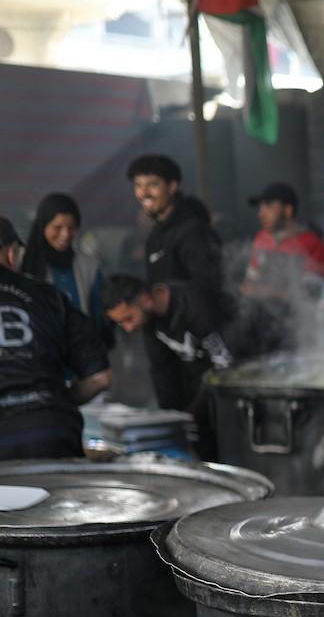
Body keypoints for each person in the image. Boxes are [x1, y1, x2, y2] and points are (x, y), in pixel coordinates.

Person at [0, 217, 111, 460]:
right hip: (51, 429)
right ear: (10, 254)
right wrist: (51, 399)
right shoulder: (49, 295)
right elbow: (99, 377)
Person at [101, 273, 238, 461]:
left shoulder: (196, 305)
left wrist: (193, 413)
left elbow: (227, 367)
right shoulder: (149, 321)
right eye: (121, 323)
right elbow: (162, 371)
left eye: (129, 318)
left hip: (236, 388)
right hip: (202, 387)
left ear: (145, 300)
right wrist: (170, 420)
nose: (128, 328)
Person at [239, 181, 324, 351]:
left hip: (298, 335)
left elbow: (310, 295)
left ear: (287, 210)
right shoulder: (261, 239)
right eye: (260, 208)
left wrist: (264, 292)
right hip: (260, 335)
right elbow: (250, 282)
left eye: (267, 207)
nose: (261, 214)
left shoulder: (314, 245)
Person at [125, 154, 227, 307]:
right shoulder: (155, 235)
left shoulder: (193, 230)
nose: (143, 192)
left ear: (172, 186)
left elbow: (209, 291)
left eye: (153, 184)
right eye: (138, 185)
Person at [20, 192, 112, 348]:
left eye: (72, 228)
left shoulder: (89, 266)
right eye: (57, 227)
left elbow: (98, 315)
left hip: (79, 356)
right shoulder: (23, 263)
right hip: (36, 355)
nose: (65, 234)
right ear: (43, 225)